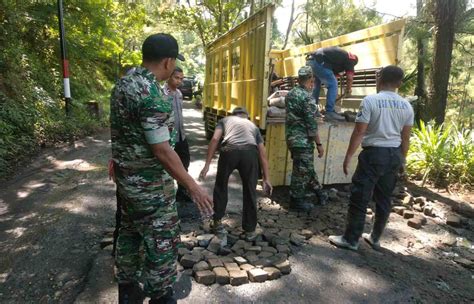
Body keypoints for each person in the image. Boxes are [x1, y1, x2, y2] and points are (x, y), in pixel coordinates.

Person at [110, 33, 213, 304]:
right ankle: (160, 296)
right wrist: (193, 187)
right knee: (162, 243)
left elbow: (124, 131)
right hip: (150, 189)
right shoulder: (152, 94)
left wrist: (117, 158)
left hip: (126, 184)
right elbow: (163, 150)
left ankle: (128, 291)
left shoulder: (123, 85)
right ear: (168, 62)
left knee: (130, 234)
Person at [329, 65, 413, 251]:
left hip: (374, 154)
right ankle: (375, 237)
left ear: (379, 79)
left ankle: (351, 239)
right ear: (399, 83)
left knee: (360, 196)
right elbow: (405, 137)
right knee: (384, 198)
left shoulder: (371, 101)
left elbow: (360, 131)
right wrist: (402, 160)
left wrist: (348, 156)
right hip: (394, 154)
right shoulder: (407, 105)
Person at [199, 107, 272, 241]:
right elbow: (262, 154)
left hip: (229, 151)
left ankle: (217, 222)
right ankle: (250, 230)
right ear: (247, 116)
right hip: (249, 154)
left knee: (221, 186)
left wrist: (207, 165)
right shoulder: (252, 126)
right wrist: (267, 178)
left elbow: (215, 140)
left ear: (234, 115)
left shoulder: (225, 120)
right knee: (250, 190)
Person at [285, 66, 328, 212]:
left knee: (305, 167)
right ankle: (296, 201)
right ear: (311, 80)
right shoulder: (308, 98)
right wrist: (319, 144)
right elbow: (311, 124)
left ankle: (320, 193)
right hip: (302, 140)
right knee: (301, 171)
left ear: (298, 79)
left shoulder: (290, 94)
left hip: (291, 138)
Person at [306, 46, 358, 121]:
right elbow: (349, 78)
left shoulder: (339, 58)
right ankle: (330, 112)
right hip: (319, 62)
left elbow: (332, 76)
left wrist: (334, 94)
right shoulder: (351, 59)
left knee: (316, 87)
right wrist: (348, 89)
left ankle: (312, 111)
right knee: (333, 84)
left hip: (310, 61)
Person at [163, 67, 190, 202]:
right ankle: (166, 193)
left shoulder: (179, 93)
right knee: (167, 165)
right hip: (168, 138)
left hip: (181, 136)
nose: (179, 81)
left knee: (184, 163)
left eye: (181, 78)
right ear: (169, 77)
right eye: (176, 78)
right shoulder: (162, 92)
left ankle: (182, 191)